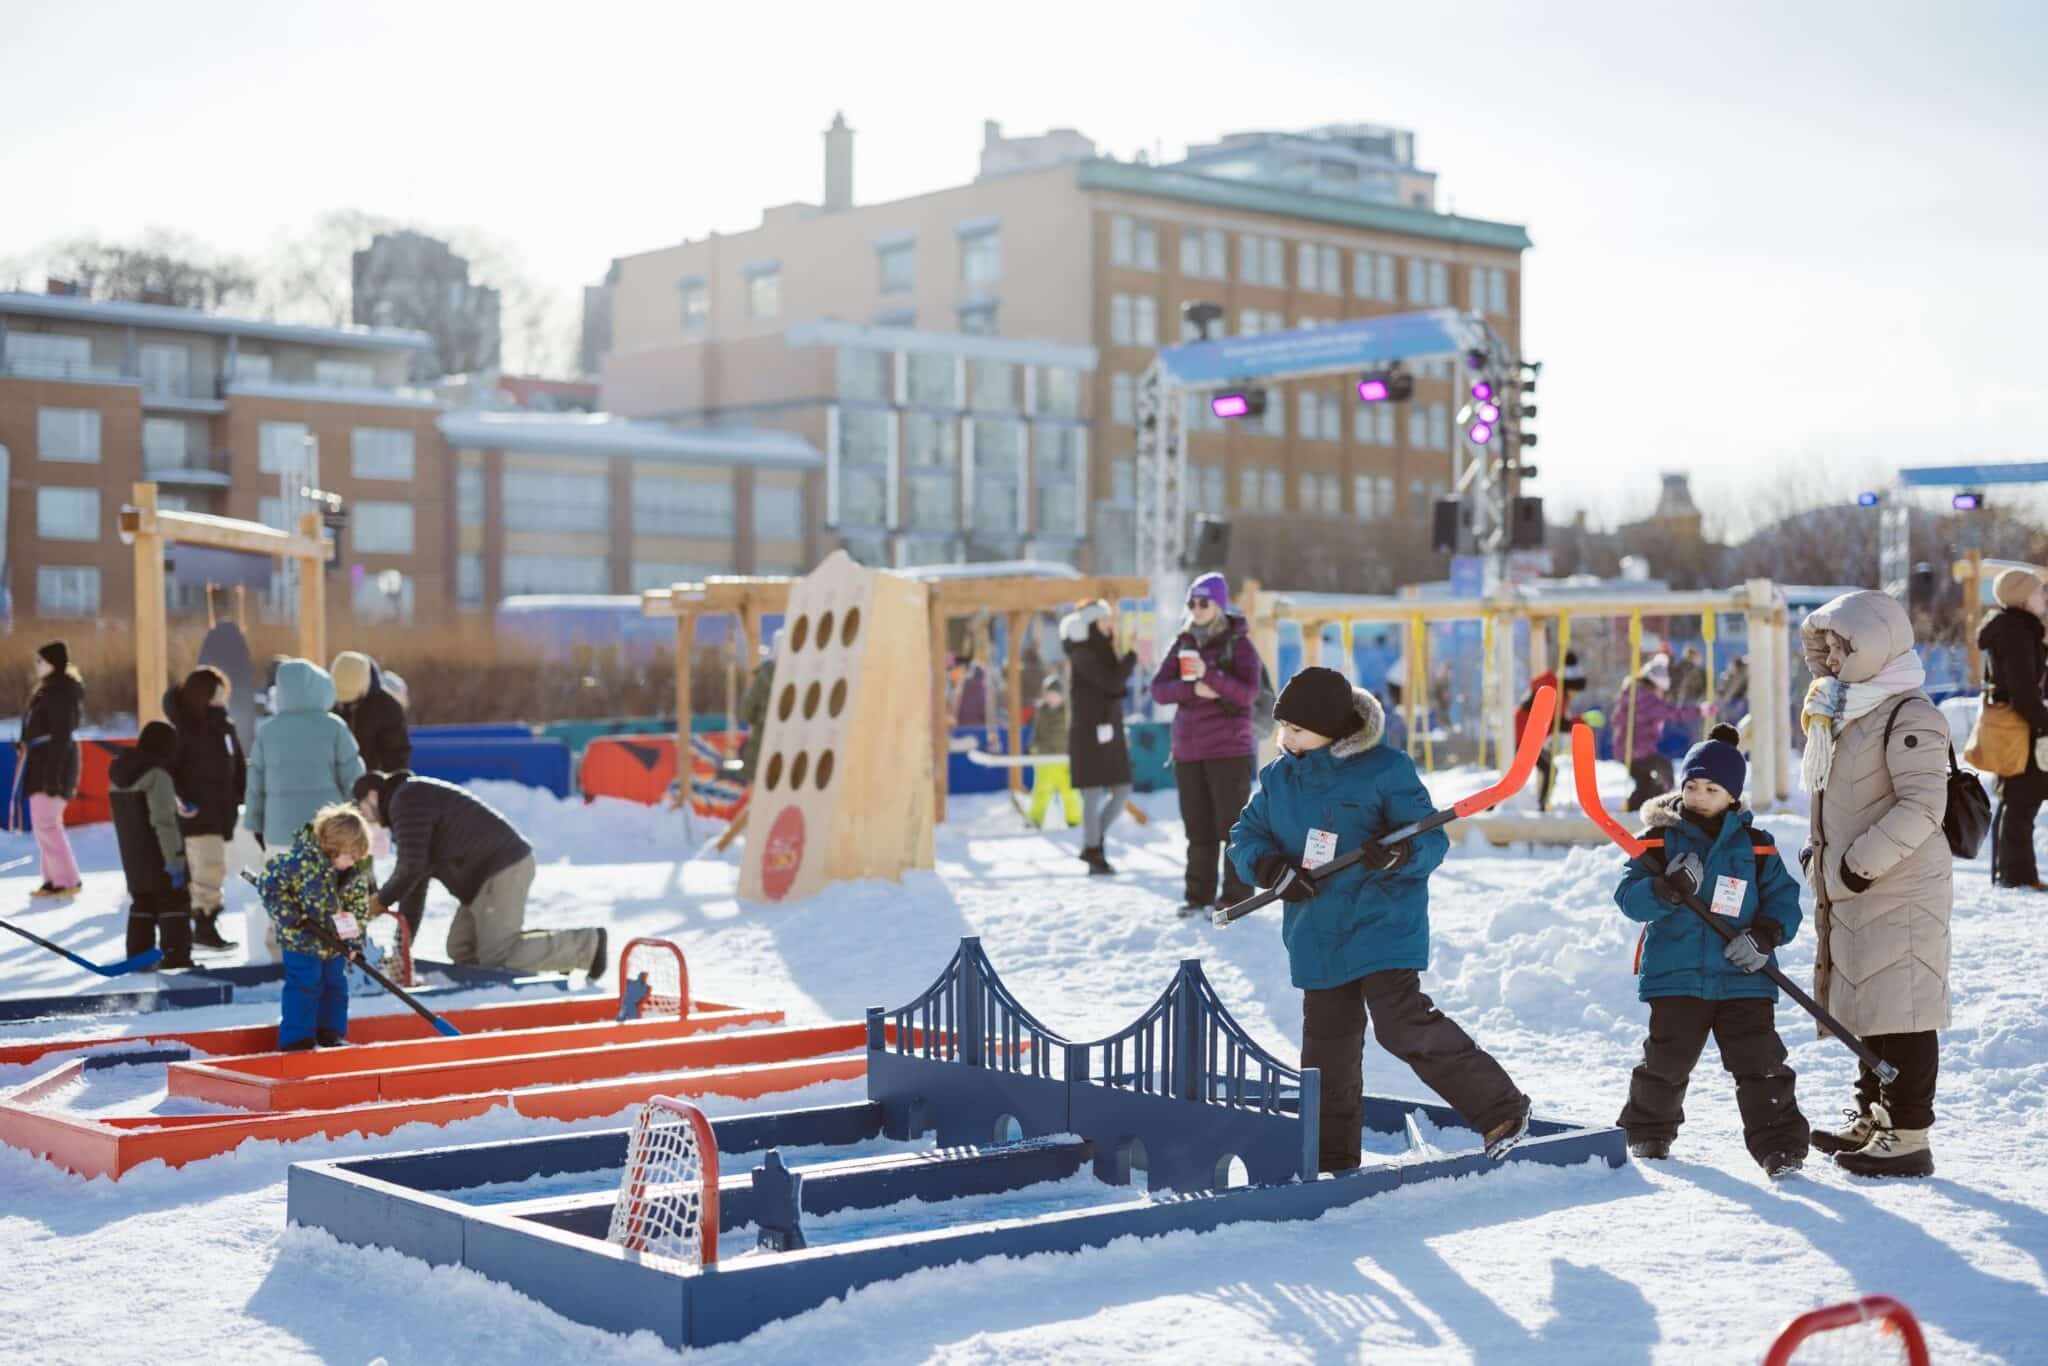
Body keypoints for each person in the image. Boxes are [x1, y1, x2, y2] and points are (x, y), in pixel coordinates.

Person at [1228, 667, 1530, 1170]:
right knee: (1327, 1052)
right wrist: (1269, 867)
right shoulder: (1279, 779)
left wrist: (1398, 854)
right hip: (1317, 931)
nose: (1285, 738)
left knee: (1400, 1023)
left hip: (1380, 921)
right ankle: (1330, 1157)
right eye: (1283, 728)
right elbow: (1246, 836)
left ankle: (1501, 1109)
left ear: (1332, 728)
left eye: (1297, 729)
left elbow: (1430, 840)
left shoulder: (1386, 769)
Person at [1798, 589, 1952, 1178]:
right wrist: (1825, 858)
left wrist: (1855, 864)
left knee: (1904, 1009)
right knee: (1868, 1002)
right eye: (1828, 648)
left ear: (1875, 647)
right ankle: (1874, 1115)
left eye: (1843, 648)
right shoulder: (1844, 711)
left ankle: (1908, 1133)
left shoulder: (1909, 713)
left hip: (1897, 883)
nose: (1832, 660)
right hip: (1858, 884)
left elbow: (1921, 806)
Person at [1613, 725, 1810, 1177]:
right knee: (1667, 1060)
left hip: (1745, 976)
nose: (1699, 796)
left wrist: (1765, 936)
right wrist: (1665, 888)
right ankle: (1647, 1131)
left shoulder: (1756, 845)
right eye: (1692, 786)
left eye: (1712, 788)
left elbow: (1784, 901)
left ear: (1733, 796)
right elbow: (1629, 898)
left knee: (1760, 1063)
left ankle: (1780, 1146)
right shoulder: (1659, 840)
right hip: (1677, 973)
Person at [353, 770, 605, 976]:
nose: (364, 815)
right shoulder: (408, 803)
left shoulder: (406, 798)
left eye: (361, 806)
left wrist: (380, 902)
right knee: (462, 948)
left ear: (373, 795)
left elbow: (411, 867)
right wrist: (401, 952)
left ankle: (586, 946)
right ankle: (549, 956)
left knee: (497, 955)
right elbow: (414, 886)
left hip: (500, 867)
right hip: (482, 879)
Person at [1151, 572, 1263, 912]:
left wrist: (1209, 676)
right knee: (1197, 829)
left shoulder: (1239, 644)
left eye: (1204, 602)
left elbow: (1249, 694)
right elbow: (1158, 689)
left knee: (1232, 827)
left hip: (1229, 750)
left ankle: (1235, 895)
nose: (1197, 609)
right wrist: (1191, 689)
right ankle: (1196, 897)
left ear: (1219, 604)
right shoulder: (1183, 641)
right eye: (1192, 603)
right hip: (1188, 750)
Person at [253, 804, 378, 1050]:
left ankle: (330, 1033)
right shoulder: (298, 863)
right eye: (350, 856)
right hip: (301, 941)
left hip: (333, 946)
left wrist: (352, 943)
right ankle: (297, 1038)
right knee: (305, 985)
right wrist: (290, 916)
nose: (352, 862)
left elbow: (355, 911)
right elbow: (270, 887)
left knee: (335, 986)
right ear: (334, 847)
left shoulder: (351, 876)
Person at [244, 659, 365, 857]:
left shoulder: (267, 731)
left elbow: (255, 785)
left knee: (285, 885)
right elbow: (353, 777)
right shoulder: (334, 727)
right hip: (328, 831)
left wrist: (255, 823)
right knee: (324, 886)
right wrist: (357, 817)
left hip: (279, 831)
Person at [1975, 568, 2048, 889]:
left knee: (2019, 797)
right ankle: (2016, 875)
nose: (2044, 597)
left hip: (2016, 724)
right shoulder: (2017, 631)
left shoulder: (2013, 628)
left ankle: (2015, 872)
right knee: (2023, 798)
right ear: (2022, 596)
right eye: (2038, 591)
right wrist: (2043, 724)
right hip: (2020, 726)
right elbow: (2022, 688)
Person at [164, 666, 246, 949]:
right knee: (207, 869)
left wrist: (239, 794)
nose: (224, 696)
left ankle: (203, 923)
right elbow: (171, 771)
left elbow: (236, 764)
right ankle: (204, 925)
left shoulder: (224, 725)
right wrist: (181, 799)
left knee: (213, 868)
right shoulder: (186, 730)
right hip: (198, 812)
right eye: (218, 691)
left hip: (221, 810)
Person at [108, 722, 194, 969]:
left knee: (143, 901)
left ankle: (138, 957)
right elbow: (163, 822)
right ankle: (176, 958)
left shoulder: (119, 773)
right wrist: (175, 860)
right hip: (160, 854)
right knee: (174, 900)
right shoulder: (158, 775)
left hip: (133, 856)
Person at [1062, 600, 1138, 875]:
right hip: (1088, 734)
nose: (1110, 626)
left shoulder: (1104, 651)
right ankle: (1094, 851)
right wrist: (1130, 657)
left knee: (1122, 790)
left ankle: (1093, 843)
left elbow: (1113, 684)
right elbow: (1112, 682)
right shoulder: (1082, 653)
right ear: (1092, 624)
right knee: (1092, 794)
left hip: (1110, 732)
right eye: (1105, 621)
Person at [18, 641, 84, 898]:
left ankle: (68, 879)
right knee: (42, 823)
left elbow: (61, 735)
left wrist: (54, 776)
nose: (37, 666)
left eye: (40, 661)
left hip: (53, 763)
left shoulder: (61, 692)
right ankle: (53, 879)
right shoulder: (49, 690)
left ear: (53, 663)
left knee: (48, 823)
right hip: (41, 761)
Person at [1613, 654, 1707, 811]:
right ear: (1655, 684)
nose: (1662, 695)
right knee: (1664, 772)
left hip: (1627, 749)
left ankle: (1633, 809)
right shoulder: (1646, 700)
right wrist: (1700, 710)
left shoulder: (1634, 693)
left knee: (1644, 782)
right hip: (1637, 749)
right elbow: (1671, 712)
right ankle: (1652, 806)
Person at [1518, 652, 1589, 812]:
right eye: (1575, 690)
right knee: (1547, 769)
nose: (1575, 695)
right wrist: (1579, 722)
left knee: (1547, 769)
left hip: (1527, 735)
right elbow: (1555, 723)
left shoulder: (1557, 692)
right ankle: (1541, 805)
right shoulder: (1555, 692)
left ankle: (1541, 803)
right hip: (1524, 736)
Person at [330, 652, 411, 773]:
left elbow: (397, 757)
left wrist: (385, 785)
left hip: (374, 784)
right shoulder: (327, 702)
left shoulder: (388, 709)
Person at [1025, 676, 1083, 832]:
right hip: (1045, 758)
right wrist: (1031, 747)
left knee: (1070, 792)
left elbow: (1075, 732)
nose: (1052, 697)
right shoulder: (1041, 711)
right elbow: (1037, 733)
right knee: (1041, 791)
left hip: (1064, 758)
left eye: (1055, 694)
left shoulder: (1068, 712)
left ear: (1062, 695)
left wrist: (1076, 750)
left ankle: (1074, 819)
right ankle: (1035, 819)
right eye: (1049, 694)